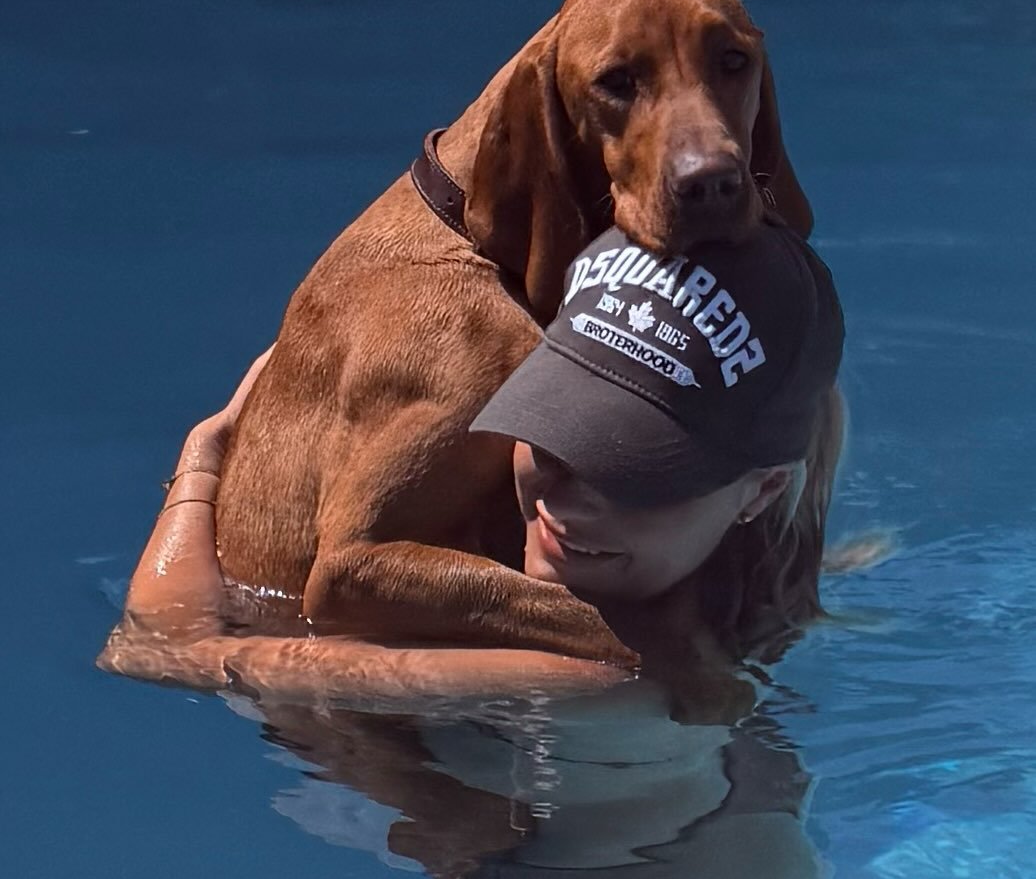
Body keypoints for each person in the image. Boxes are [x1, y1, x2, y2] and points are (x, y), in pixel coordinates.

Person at [98, 215, 844, 709]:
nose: (567, 498)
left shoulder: (598, 672)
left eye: (634, 472)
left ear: (762, 490)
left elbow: (159, 648)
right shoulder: (743, 579)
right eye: (554, 427)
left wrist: (205, 453)